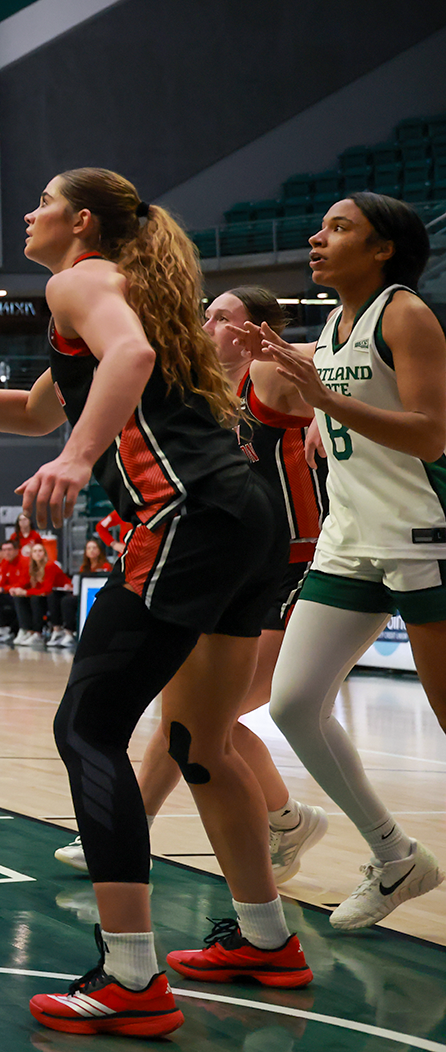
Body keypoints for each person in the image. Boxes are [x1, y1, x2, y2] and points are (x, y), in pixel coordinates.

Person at [0, 167, 308, 1037]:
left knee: (87, 729)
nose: (28, 214)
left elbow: (130, 362)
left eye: (42, 202)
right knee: (199, 741)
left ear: (79, 222)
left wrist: (78, 461)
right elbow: (36, 412)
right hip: (244, 515)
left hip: (189, 513)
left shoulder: (81, 280)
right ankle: (267, 940)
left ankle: (130, 977)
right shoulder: (120, 292)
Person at [54, 285, 329, 882]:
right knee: (200, 720)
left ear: (254, 330)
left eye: (222, 317)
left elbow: (334, 362)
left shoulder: (267, 374)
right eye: (205, 314)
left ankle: (133, 832)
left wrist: (321, 409)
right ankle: (285, 821)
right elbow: (42, 406)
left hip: (289, 560)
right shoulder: (203, 391)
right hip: (224, 563)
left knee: (202, 720)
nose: (208, 325)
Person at [255, 191, 445, 929]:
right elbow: (345, 414)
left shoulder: (405, 315)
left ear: (383, 248)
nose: (317, 237)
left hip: (422, 538)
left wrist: (324, 406)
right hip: (350, 542)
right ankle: (396, 857)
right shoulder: (332, 326)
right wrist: (318, 420)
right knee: (293, 704)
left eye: (340, 228)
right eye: (321, 226)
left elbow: (430, 435)